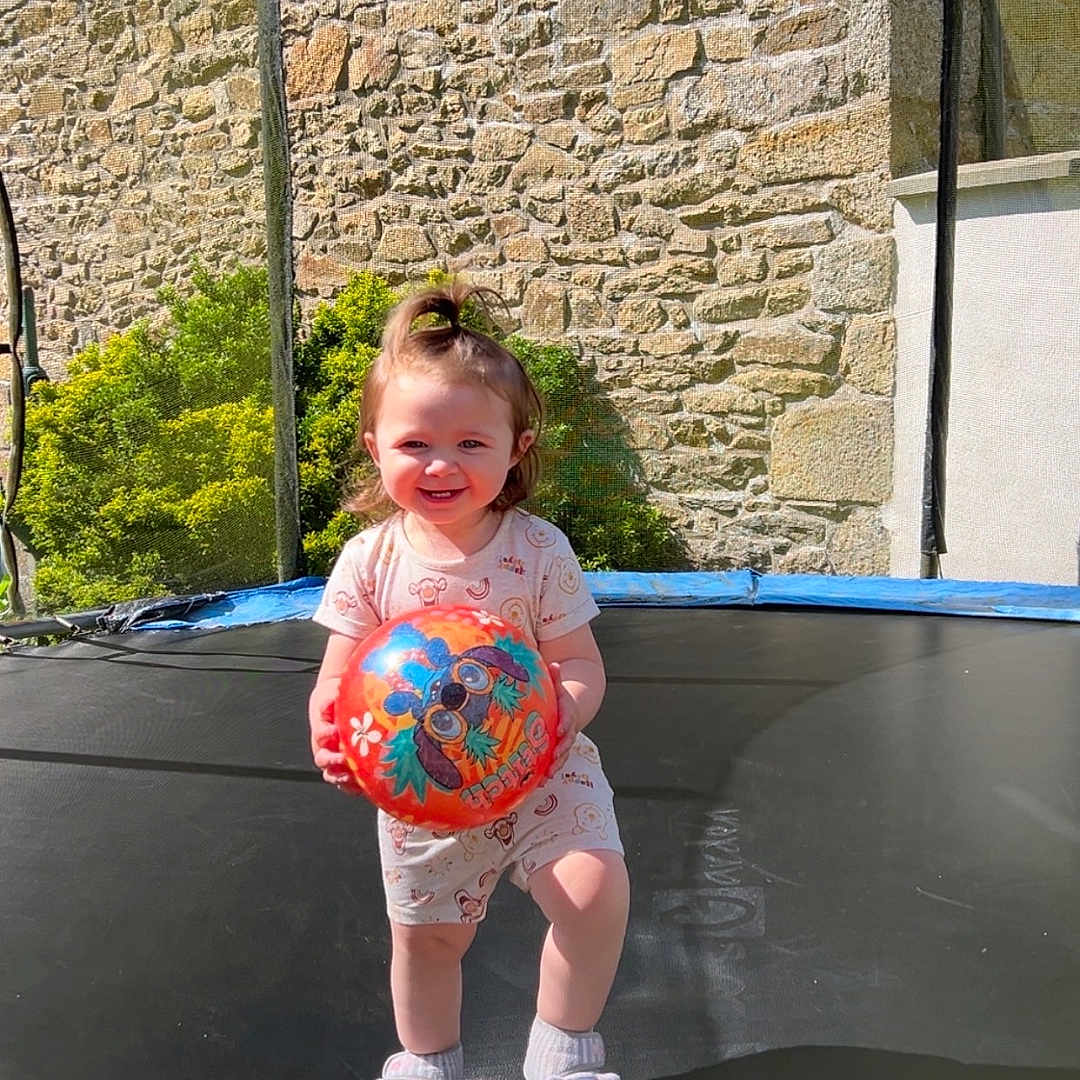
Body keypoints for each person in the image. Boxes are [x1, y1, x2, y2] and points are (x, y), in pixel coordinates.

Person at [307, 281, 630, 1080]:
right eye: (415, 443)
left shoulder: (538, 551)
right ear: (375, 446)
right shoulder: (370, 561)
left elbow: (580, 664)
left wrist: (564, 714)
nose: (442, 464)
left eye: (471, 445)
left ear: (515, 449)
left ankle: (564, 1056)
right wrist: (330, 731)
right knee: (427, 941)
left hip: (541, 766)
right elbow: (337, 680)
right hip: (426, 795)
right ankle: (428, 1063)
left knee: (592, 898)